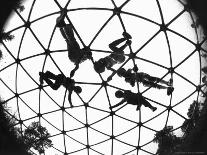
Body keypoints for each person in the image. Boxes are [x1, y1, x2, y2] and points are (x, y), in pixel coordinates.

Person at [56, 10, 92, 78]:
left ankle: (64, 25)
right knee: (68, 40)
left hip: (74, 55)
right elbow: (77, 65)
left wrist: (74, 71)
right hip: (72, 57)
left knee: (71, 39)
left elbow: (77, 66)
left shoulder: (81, 57)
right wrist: (74, 70)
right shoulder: (82, 57)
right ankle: (61, 27)